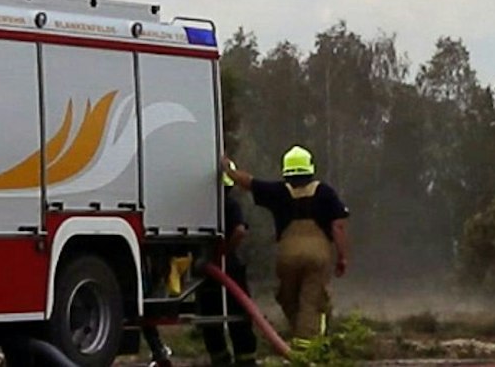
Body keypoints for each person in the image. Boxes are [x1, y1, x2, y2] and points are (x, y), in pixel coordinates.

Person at [223, 146, 350, 348]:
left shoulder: (279, 191)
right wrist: (342, 257)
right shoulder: (325, 192)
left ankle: (303, 337)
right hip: (318, 256)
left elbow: (248, 182)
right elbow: (338, 225)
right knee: (312, 300)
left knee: (288, 297)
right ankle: (308, 346)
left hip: (287, 256)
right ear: (310, 167)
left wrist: (227, 168)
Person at [143, 176, 257, 367]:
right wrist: (225, 252)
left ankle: (221, 358)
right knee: (238, 314)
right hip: (226, 265)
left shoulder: (202, 207)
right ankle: (245, 359)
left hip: (207, 268)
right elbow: (239, 231)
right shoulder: (230, 204)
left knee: (211, 314)